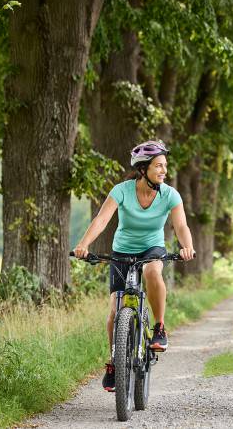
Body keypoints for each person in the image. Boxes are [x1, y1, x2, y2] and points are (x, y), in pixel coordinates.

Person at [73, 140, 195, 392]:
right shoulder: (122, 191)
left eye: (165, 165)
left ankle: (159, 327)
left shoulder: (170, 195)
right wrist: (83, 245)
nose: (164, 170)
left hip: (152, 247)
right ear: (143, 169)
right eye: (158, 166)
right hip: (123, 250)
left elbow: (181, 225)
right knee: (114, 311)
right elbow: (102, 220)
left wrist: (187, 246)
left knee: (152, 271)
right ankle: (114, 362)